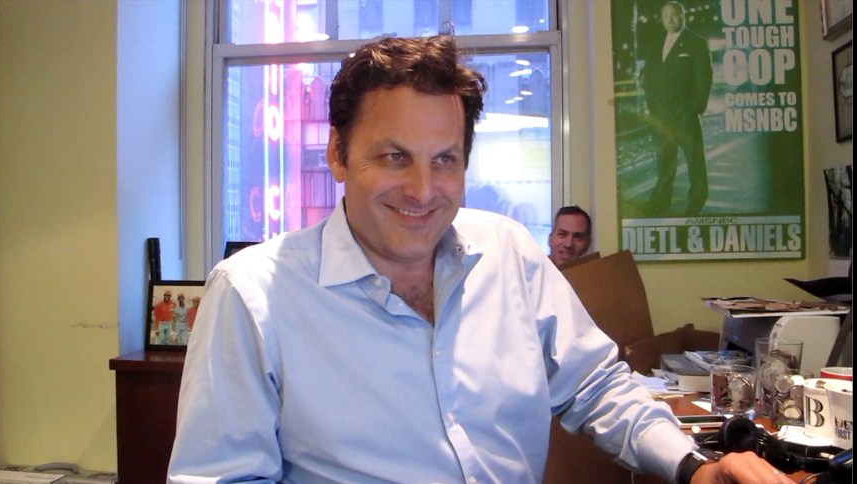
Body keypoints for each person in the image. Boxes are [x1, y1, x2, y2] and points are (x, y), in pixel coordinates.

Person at [169, 36, 790, 484]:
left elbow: (595, 385)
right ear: (337, 153)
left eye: (444, 160)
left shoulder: (509, 251)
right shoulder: (253, 295)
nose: (422, 190)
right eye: (393, 156)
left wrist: (692, 468)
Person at [641, 1, 713, 216]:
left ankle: (696, 202)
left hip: (685, 115)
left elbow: (704, 78)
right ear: (662, 19)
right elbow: (649, 78)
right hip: (661, 116)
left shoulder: (696, 43)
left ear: (683, 16)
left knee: (694, 162)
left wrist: (695, 108)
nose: (670, 20)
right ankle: (661, 201)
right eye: (666, 16)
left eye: (674, 15)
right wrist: (652, 108)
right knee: (664, 162)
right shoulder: (656, 45)